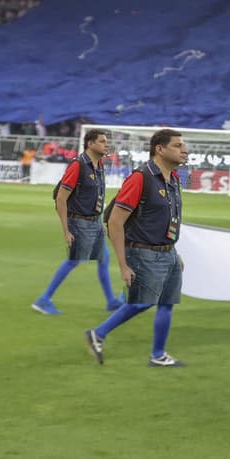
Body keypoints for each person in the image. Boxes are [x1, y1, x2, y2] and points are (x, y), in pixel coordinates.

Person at [83, 128, 188, 368]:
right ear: (160, 149)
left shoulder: (174, 179)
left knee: (167, 302)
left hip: (167, 251)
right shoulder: (141, 178)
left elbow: (165, 219)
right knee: (143, 302)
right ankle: (98, 333)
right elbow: (115, 221)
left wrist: (174, 251)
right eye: (177, 145)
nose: (184, 150)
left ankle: (158, 355)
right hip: (143, 252)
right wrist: (123, 264)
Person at [31, 128, 122, 315]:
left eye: (107, 141)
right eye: (102, 141)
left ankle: (111, 302)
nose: (107, 145)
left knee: (103, 259)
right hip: (79, 222)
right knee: (74, 261)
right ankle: (44, 299)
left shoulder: (99, 165)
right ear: (90, 144)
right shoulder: (78, 165)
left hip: (93, 222)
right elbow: (61, 198)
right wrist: (66, 229)